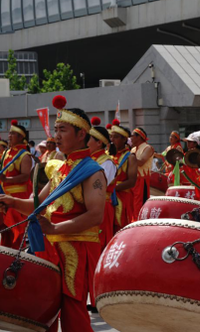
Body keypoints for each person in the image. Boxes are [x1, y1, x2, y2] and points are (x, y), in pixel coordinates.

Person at [0, 95, 106, 332]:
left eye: (63, 130)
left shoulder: (93, 172)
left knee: (73, 309)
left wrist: (55, 228)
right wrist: (11, 201)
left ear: (81, 135)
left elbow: (95, 216)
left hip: (76, 249)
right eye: (56, 129)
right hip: (51, 246)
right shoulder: (61, 168)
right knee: (45, 308)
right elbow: (37, 204)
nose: (56, 135)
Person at [0, 120, 32, 249]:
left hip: (17, 197)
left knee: (16, 230)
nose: (9, 136)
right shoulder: (7, 153)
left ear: (20, 137)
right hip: (4, 194)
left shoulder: (25, 155)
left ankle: (16, 258)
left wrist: (6, 180)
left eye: (12, 133)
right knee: (5, 229)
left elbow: (26, 175)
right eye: (9, 133)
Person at [88, 117, 117, 250]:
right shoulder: (89, 159)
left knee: (99, 241)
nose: (85, 142)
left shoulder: (107, 162)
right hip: (89, 205)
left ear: (99, 142)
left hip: (101, 207)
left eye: (89, 139)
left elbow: (99, 186)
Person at [110, 120, 137, 232]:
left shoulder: (130, 157)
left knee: (120, 228)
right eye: (111, 137)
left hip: (122, 198)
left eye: (116, 137)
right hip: (107, 197)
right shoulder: (107, 156)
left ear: (124, 139)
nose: (112, 140)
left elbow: (131, 182)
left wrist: (111, 188)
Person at [130, 127, 154, 221]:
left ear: (139, 137)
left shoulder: (148, 148)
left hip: (142, 181)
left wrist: (126, 157)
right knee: (132, 205)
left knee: (139, 205)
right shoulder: (132, 150)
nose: (131, 138)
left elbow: (141, 162)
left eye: (132, 136)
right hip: (132, 181)